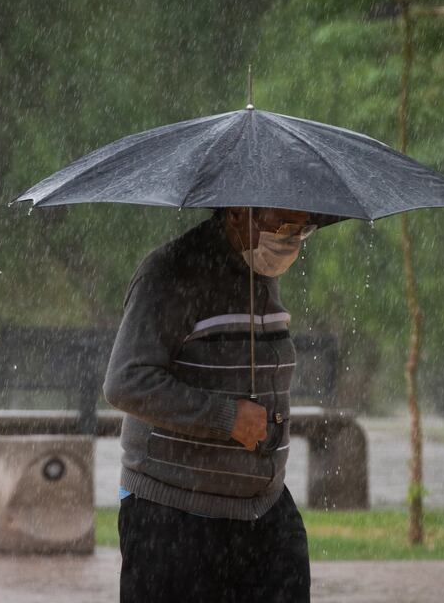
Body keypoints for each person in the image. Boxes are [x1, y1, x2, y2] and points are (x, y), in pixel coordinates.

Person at [103, 206, 316, 602]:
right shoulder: (168, 273)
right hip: (175, 515)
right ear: (237, 213)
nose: (292, 237)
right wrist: (225, 417)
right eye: (283, 224)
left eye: (302, 228)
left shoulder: (260, 270)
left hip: (263, 509)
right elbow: (126, 382)